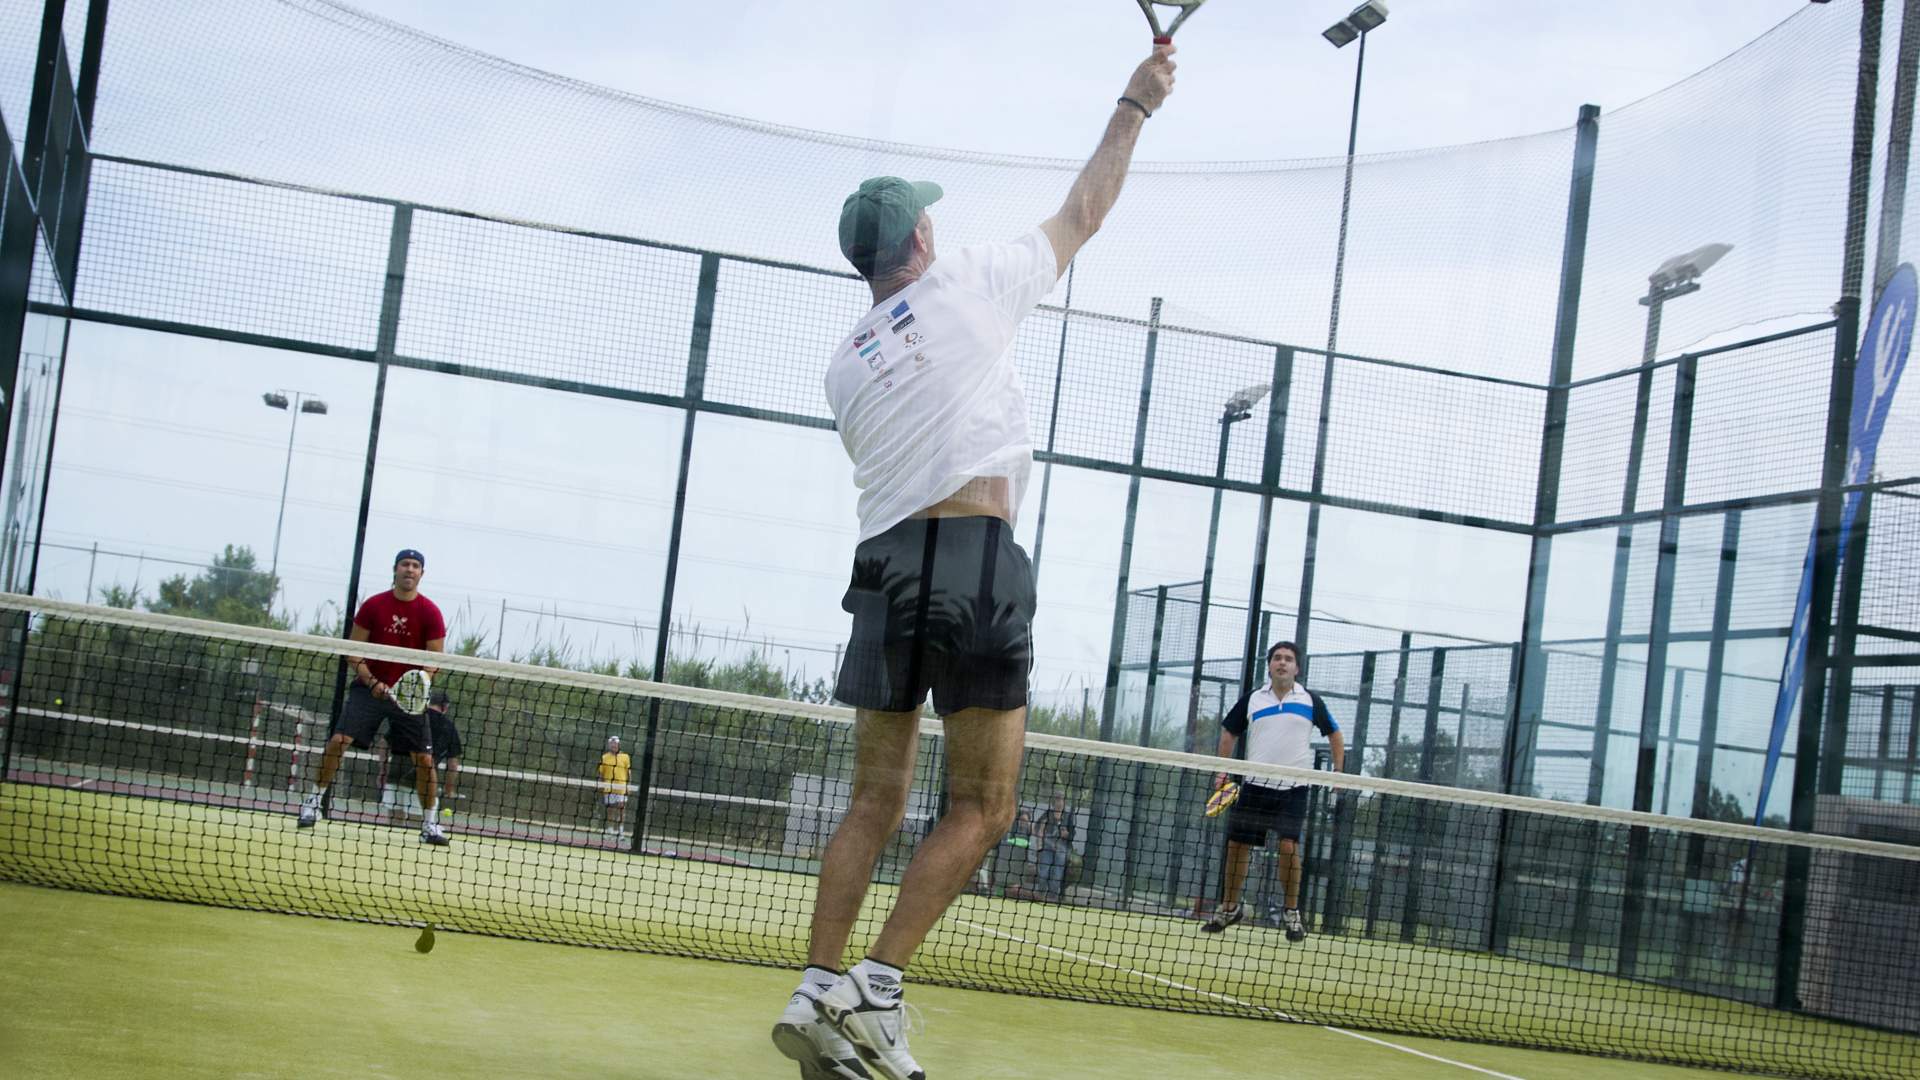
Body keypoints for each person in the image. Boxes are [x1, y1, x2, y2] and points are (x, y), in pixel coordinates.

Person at [771, 44, 1178, 1080]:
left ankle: (816, 990)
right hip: (974, 562)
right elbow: (1085, 210)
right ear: (920, 237)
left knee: (873, 800)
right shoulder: (969, 281)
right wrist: (1137, 99)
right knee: (985, 808)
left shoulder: (842, 369)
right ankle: (877, 991)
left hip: (883, 569)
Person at [297, 549, 449, 846]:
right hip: (369, 691)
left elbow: (435, 659)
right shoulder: (373, 606)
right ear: (395, 569)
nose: (410, 570)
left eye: (415, 566)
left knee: (425, 758)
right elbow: (353, 651)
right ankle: (312, 804)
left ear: (422, 573)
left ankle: (430, 825)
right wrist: (373, 682)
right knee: (339, 741)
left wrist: (418, 682)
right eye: (405, 564)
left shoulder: (430, 612)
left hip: (408, 698)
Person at [1202, 641, 1345, 943]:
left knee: (1289, 847)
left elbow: (1334, 733)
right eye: (1277, 658)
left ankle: (1291, 913)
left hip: (1293, 788)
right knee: (1237, 847)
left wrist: (1338, 773)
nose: (1282, 663)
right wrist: (1222, 770)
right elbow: (1229, 731)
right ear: (1269, 665)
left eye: (1288, 659)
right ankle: (1229, 908)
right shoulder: (1253, 699)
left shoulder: (1310, 701)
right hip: (1254, 785)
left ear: (1297, 667)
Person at [377, 691, 461, 822]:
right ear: (445, 707)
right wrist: (448, 788)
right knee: (416, 824)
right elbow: (453, 764)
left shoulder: (410, 718)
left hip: (395, 773)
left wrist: (383, 770)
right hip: (422, 777)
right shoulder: (448, 727)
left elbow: (384, 742)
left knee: (394, 822)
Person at [1033, 793, 1075, 901]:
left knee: (1057, 874)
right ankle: (1040, 895)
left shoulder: (1068, 816)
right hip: (1047, 847)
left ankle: (1052, 897)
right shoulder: (1047, 814)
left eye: (1061, 800)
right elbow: (1036, 828)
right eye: (1057, 800)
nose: (1059, 803)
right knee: (1043, 872)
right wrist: (1040, 839)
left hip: (1061, 849)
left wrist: (1067, 834)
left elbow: (1072, 834)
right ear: (1053, 802)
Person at [597, 735, 631, 840]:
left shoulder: (625, 757)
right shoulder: (604, 757)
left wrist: (629, 786)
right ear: (609, 745)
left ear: (618, 745)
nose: (613, 745)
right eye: (612, 744)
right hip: (609, 787)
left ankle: (621, 833)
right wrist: (600, 785)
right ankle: (610, 831)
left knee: (621, 809)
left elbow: (629, 772)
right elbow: (601, 774)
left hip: (621, 787)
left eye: (615, 744)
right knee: (610, 810)